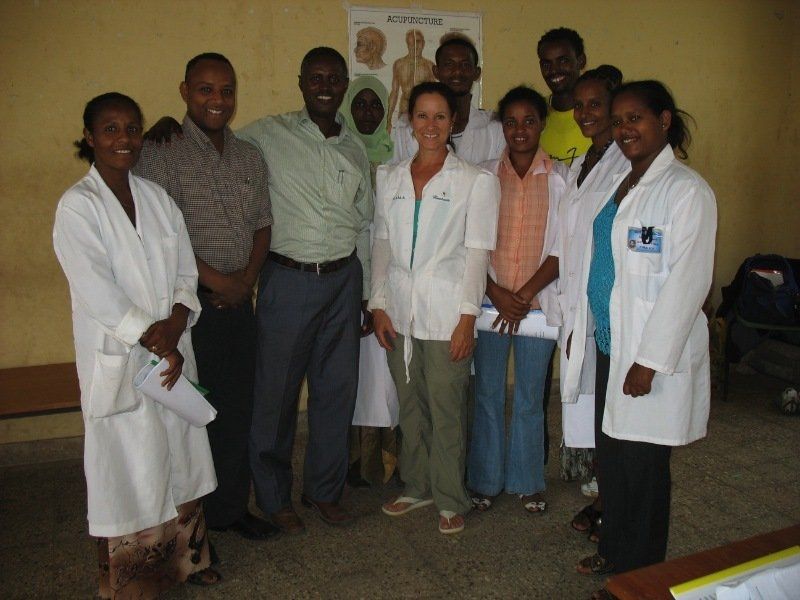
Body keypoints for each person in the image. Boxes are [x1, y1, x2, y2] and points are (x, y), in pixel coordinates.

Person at [53, 93, 219, 597]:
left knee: (180, 458)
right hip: (124, 358)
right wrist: (155, 338)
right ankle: (138, 578)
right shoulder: (78, 207)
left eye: (131, 128)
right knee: (131, 468)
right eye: (110, 129)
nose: (122, 138)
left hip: (169, 352)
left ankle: (189, 559)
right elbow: (97, 290)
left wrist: (175, 325)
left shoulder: (156, 198)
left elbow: (186, 272)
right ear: (90, 137)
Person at [565, 81, 716, 587]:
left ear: (665, 121)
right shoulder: (624, 182)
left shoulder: (686, 191)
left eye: (636, 118)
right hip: (612, 343)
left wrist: (649, 360)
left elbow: (689, 281)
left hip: (647, 356)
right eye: (620, 120)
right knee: (614, 461)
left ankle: (643, 578)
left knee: (644, 471)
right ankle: (614, 553)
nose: (625, 128)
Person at [134, 53, 278, 541]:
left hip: (240, 302)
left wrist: (248, 280)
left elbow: (263, 223)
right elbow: (161, 239)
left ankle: (230, 510)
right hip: (189, 307)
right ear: (184, 91)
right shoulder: (160, 153)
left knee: (236, 411)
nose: (217, 100)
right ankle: (191, 530)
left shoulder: (249, 155)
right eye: (205, 90)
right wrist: (222, 283)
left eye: (226, 90)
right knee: (190, 419)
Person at [237, 47, 373, 533]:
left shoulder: (354, 148)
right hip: (288, 279)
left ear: (344, 85)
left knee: (337, 394)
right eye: (315, 77)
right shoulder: (267, 134)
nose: (324, 85)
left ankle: (324, 491)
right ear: (300, 82)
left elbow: (365, 224)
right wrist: (170, 129)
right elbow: (217, 150)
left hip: (344, 281)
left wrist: (367, 297)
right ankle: (274, 498)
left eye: (334, 78)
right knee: (275, 396)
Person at [371, 82, 500, 534]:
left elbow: (477, 253)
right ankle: (417, 484)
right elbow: (382, 243)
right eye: (422, 116)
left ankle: (449, 496)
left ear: (453, 123)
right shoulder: (389, 177)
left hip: (447, 313)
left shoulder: (475, 182)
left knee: (446, 407)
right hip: (400, 310)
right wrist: (378, 305)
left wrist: (468, 318)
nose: (431, 125)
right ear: (410, 121)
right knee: (410, 404)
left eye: (440, 117)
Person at [467, 87, 567, 515]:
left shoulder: (563, 178)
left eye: (529, 120)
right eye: (511, 121)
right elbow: (469, 244)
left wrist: (524, 295)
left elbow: (565, 246)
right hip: (492, 303)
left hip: (538, 307)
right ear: (501, 127)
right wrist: (496, 292)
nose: (520, 129)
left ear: (542, 123)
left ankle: (527, 481)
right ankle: (486, 480)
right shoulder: (483, 175)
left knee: (529, 397)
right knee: (487, 393)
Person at [561, 66, 629, 543]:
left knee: (618, 417)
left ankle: (616, 507)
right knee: (604, 413)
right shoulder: (580, 162)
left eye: (596, 105)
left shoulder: (627, 165)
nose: (586, 113)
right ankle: (608, 498)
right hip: (585, 305)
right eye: (579, 105)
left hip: (614, 311)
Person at [342, 75, 399, 487]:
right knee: (350, 373)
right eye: (359, 104)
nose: (367, 112)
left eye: (374, 104)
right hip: (346, 278)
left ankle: (390, 458)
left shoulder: (398, 153)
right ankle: (352, 460)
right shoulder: (338, 153)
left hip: (389, 280)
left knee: (387, 373)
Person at [391, 36, 504, 165]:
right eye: (449, 64)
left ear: (476, 73)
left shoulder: (494, 127)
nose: (457, 72)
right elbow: (399, 176)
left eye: (465, 65)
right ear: (436, 71)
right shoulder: (407, 126)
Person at [537, 28, 592, 166]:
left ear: (581, 61)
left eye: (563, 61)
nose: (554, 70)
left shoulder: (598, 114)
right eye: (546, 64)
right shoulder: (535, 115)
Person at [386, 29, 436, 133]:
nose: (415, 46)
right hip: (404, 110)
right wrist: (388, 119)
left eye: (418, 41)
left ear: (423, 43)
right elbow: (394, 92)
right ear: (407, 44)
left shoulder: (429, 66)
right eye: (411, 42)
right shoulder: (399, 64)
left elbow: (434, 95)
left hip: (424, 113)